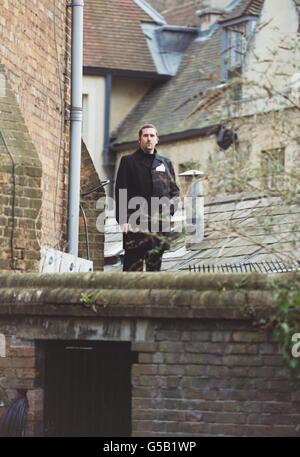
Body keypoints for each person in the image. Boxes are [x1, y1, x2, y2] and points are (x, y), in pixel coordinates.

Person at [115, 124, 180, 271]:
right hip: (135, 223)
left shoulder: (165, 163)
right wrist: (123, 219)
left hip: (159, 226)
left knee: (154, 272)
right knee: (132, 270)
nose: (149, 139)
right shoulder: (128, 162)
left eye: (152, 136)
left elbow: (174, 192)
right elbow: (120, 191)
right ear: (139, 140)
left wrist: (168, 212)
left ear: (157, 139)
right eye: (145, 136)